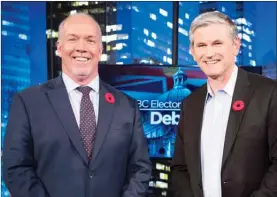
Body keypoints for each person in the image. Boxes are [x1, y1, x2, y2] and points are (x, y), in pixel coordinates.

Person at [3, 13, 152, 197]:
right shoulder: (28, 102)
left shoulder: (127, 106)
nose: (81, 48)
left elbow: (140, 169)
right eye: (73, 39)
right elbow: (16, 168)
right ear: (59, 48)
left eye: (90, 40)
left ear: (99, 50)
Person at [171, 11, 277, 197]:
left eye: (217, 43)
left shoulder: (269, 93)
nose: (209, 53)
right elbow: (180, 168)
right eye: (202, 45)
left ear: (236, 45)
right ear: (192, 52)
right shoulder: (190, 104)